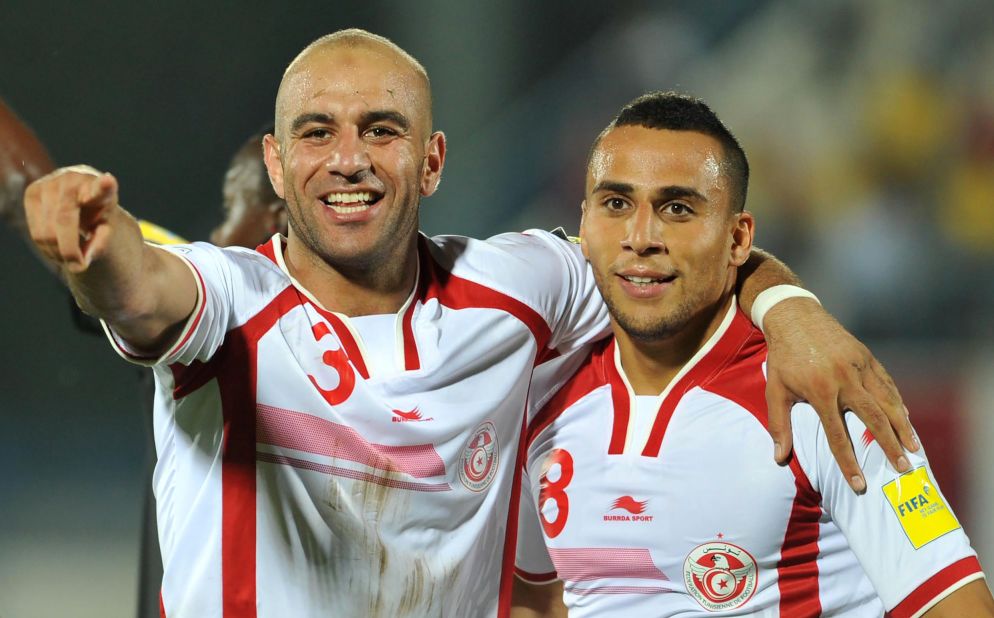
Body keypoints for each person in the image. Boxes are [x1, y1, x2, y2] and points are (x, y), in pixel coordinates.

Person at [23, 30, 918, 617]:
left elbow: (664, 253)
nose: (349, 159)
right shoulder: (231, 300)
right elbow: (143, 293)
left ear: (433, 160)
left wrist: (789, 307)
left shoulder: (518, 286)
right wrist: (96, 248)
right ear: (277, 160)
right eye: (317, 133)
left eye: (382, 130)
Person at [511, 92, 993, 617]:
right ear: (583, 224)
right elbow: (542, 597)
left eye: (677, 208)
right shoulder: (537, 399)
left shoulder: (825, 396)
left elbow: (957, 605)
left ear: (738, 239)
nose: (640, 237)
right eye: (617, 204)